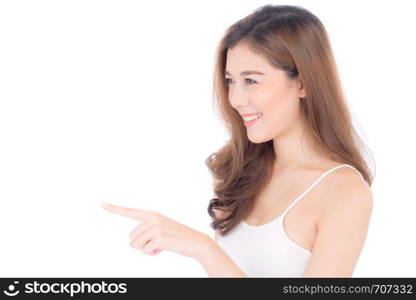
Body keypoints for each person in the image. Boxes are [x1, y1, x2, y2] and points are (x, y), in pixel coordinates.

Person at [103, 4, 374, 277]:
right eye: (231, 81)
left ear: (303, 84)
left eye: (252, 81)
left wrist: (203, 249)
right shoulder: (239, 172)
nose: (236, 99)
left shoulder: (344, 192)